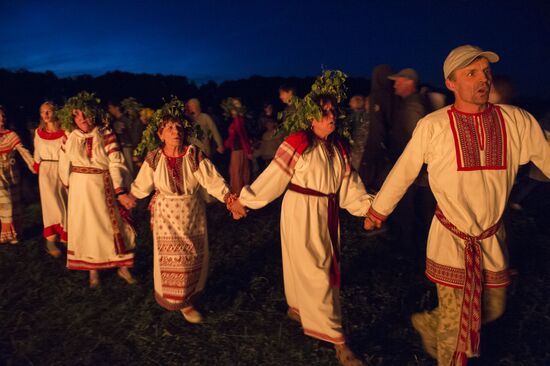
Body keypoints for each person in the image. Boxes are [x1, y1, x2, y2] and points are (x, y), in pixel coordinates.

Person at [364, 45, 550, 365]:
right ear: (451, 83)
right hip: (452, 239)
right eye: (472, 73)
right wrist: (377, 210)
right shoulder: (434, 126)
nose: (483, 79)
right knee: (457, 335)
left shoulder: (517, 121)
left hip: (492, 239)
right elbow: (404, 170)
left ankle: (428, 321)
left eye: (486, 72)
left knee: (494, 306)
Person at [234, 95, 373, 366]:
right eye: (324, 113)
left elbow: (349, 188)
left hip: (326, 211)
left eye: (333, 111)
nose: (332, 116)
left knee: (311, 263)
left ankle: (297, 306)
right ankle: (339, 341)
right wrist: (245, 200)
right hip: (301, 211)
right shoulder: (298, 143)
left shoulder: (339, 147)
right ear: (310, 118)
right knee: (316, 270)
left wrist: (368, 208)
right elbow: (272, 179)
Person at [120, 111, 242, 323]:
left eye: (178, 127)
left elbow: (212, 180)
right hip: (165, 215)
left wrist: (229, 199)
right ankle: (180, 301)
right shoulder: (155, 157)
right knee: (172, 258)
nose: (175, 131)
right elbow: (142, 183)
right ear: (161, 134)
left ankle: (188, 297)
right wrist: (131, 196)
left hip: (191, 213)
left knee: (191, 256)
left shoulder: (194, 154)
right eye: (169, 128)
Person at [58, 93, 136, 288]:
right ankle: (93, 270)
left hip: (102, 186)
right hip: (79, 189)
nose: (82, 119)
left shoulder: (105, 132)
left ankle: (122, 265)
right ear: (72, 117)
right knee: (86, 227)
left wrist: (119, 189)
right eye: (77, 115)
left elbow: (116, 161)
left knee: (110, 225)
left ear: (94, 114)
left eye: (86, 114)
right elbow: (63, 162)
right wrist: (69, 184)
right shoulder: (68, 135)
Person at [33, 102, 68, 257]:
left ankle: (65, 234)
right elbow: (37, 152)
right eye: (42, 112)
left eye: (48, 111)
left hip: (62, 169)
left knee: (64, 202)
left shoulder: (65, 132)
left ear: (55, 112)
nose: (45, 115)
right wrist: (36, 165)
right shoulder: (38, 132)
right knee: (51, 204)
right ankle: (51, 239)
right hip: (46, 171)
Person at [0, 105, 36, 244]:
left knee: (15, 204)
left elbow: (22, 150)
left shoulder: (11, 135)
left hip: (12, 173)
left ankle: (16, 234)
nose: (2, 118)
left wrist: (33, 164)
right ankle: (6, 235)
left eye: (3, 115)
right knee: (5, 202)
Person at [223, 98, 252, 194]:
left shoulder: (238, 120)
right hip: (238, 149)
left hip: (238, 150)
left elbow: (242, 136)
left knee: (237, 173)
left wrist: (248, 151)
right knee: (239, 172)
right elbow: (234, 136)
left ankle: (238, 195)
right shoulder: (238, 120)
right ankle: (241, 194)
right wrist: (225, 145)